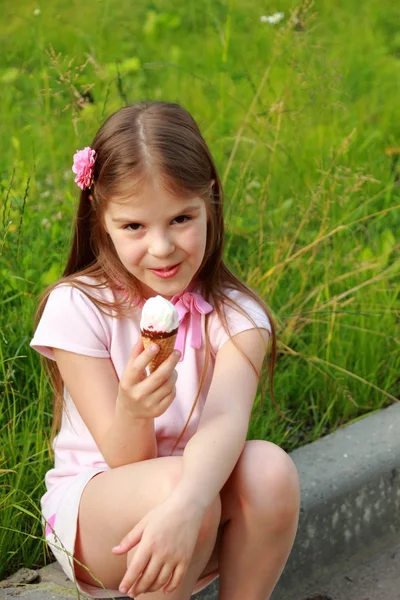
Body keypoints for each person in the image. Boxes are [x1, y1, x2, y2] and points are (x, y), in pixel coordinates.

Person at [30, 101, 300, 600]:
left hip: (194, 504)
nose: (162, 248)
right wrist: (133, 411)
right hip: (99, 514)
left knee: (270, 470)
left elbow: (224, 423)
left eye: (180, 218)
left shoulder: (237, 316)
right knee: (179, 486)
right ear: (102, 219)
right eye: (134, 226)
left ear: (210, 204)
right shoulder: (79, 306)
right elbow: (125, 459)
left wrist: (189, 505)